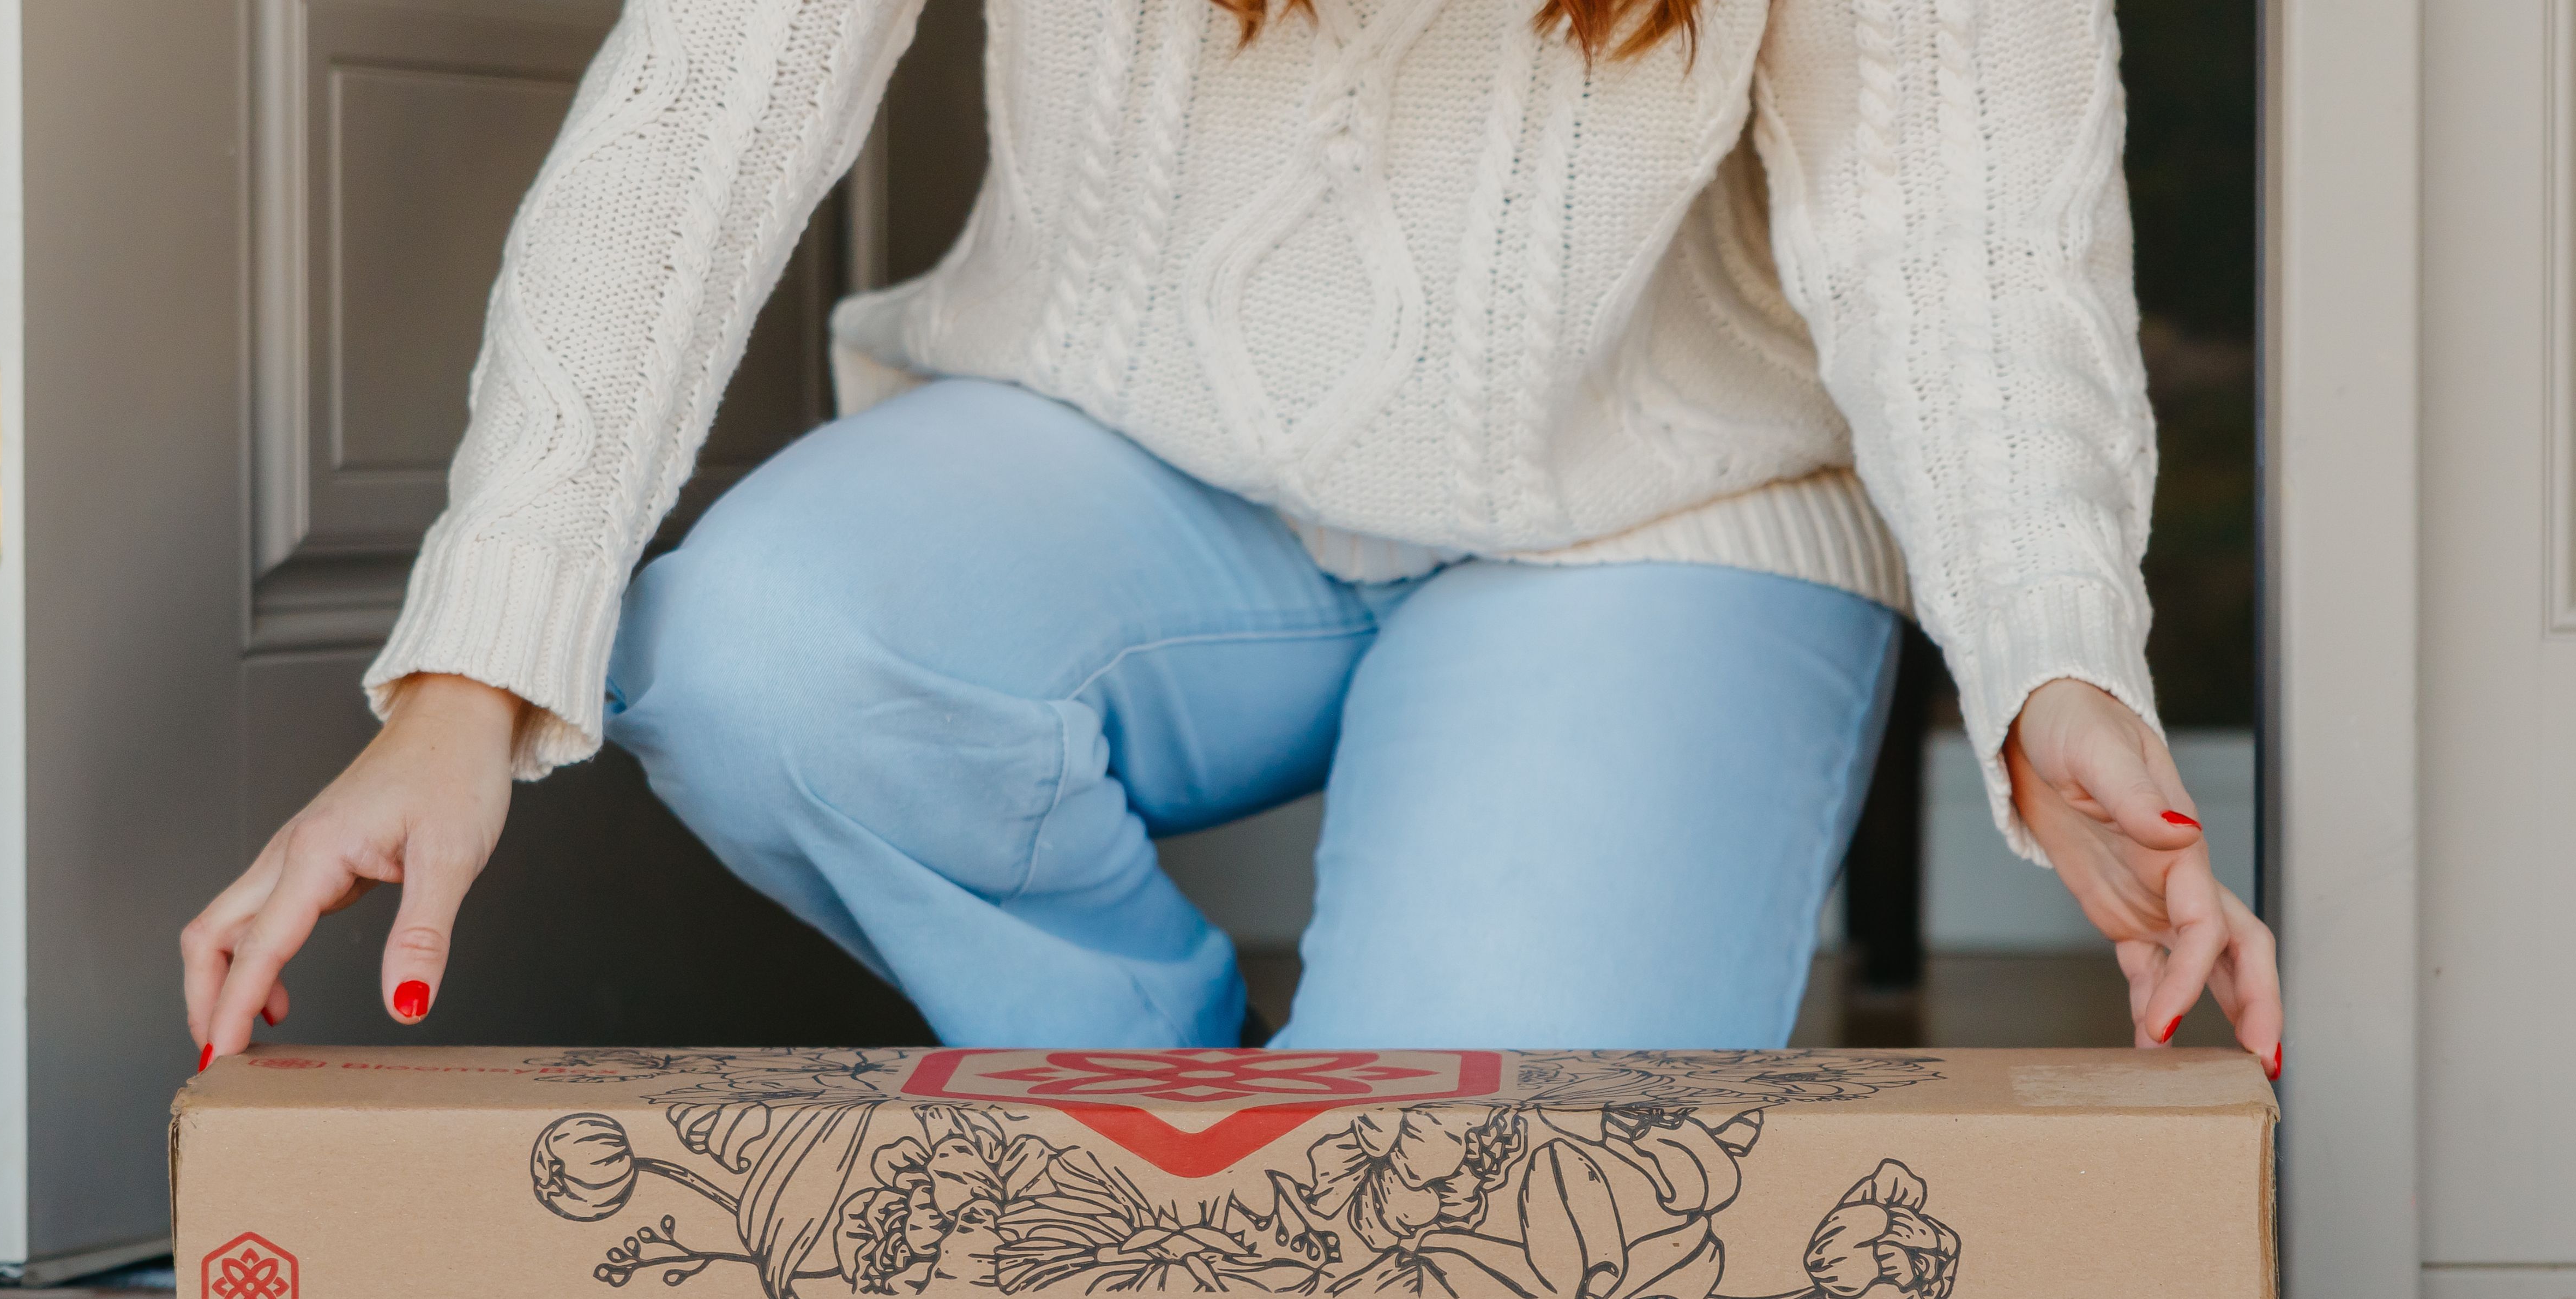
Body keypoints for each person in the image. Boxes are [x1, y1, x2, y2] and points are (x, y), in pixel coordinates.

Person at [179, 0, 2281, 1069]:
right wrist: (470, 673)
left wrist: (2050, 657)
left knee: (1452, 1189)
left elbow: (1963, 232)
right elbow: (708, 106)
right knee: (757, 654)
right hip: (1123, 458)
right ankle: (1153, 1126)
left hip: (1661, 512)